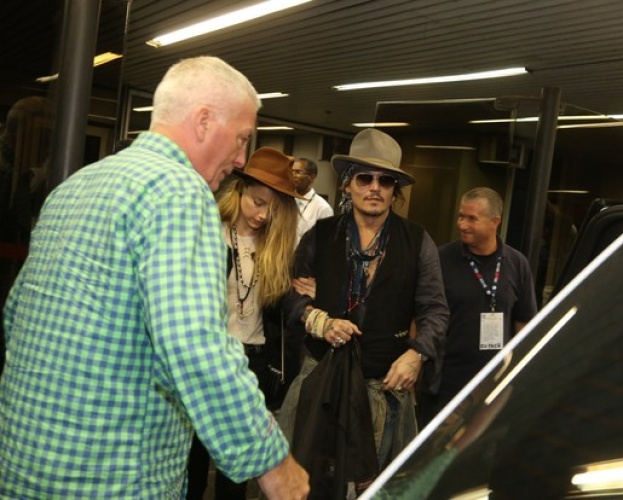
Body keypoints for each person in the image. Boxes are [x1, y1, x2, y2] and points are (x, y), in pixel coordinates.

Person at [0, 56, 308, 499]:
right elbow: (193, 346)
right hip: (112, 476)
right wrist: (273, 463)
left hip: (27, 462)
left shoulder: (76, 186)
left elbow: (17, 317)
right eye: (241, 139)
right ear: (203, 121)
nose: (240, 158)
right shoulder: (178, 192)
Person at [278, 128, 449, 497]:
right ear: (347, 185)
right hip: (322, 383)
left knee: (375, 490)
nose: (375, 187)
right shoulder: (321, 236)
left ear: (394, 190)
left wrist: (417, 356)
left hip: (383, 389)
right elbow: (289, 298)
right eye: (365, 178)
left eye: (385, 180)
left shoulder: (417, 241)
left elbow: (436, 310)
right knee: (308, 486)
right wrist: (317, 319)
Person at [186, 147, 302, 499]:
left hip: (252, 362)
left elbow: (282, 312)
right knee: (192, 461)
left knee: (236, 470)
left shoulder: (277, 249)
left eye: (273, 208)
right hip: (208, 358)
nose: (264, 215)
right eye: (257, 202)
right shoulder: (207, 233)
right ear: (239, 191)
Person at [435, 187, 537, 412]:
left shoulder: (517, 263)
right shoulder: (441, 259)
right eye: (461, 216)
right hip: (448, 382)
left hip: (496, 382)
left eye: (472, 219)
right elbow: (421, 316)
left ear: (495, 221)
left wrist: (518, 372)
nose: (462, 224)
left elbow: (524, 323)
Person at [292, 157, 333, 240]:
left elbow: (325, 241)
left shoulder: (323, 209)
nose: (293, 175)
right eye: (292, 171)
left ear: (312, 177)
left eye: (298, 172)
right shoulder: (286, 200)